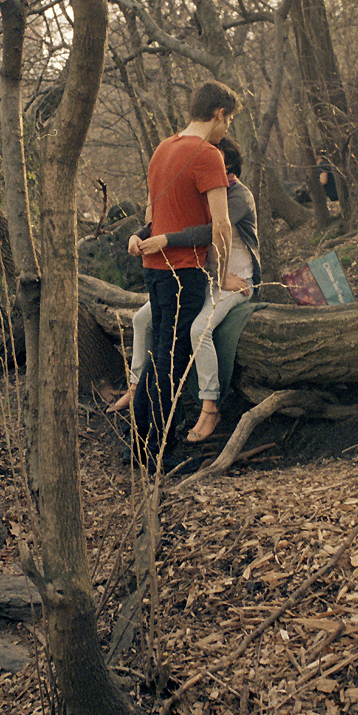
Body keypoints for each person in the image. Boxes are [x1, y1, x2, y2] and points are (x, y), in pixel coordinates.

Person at [109, 136, 261, 442]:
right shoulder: (201, 192)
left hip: (236, 277)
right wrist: (139, 234)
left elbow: (212, 232)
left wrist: (169, 243)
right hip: (205, 275)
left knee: (197, 331)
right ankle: (137, 387)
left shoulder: (239, 196)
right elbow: (170, 221)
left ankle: (209, 405)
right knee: (141, 319)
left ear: (228, 168)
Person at [127, 80, 237, 465]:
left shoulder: (162, 148)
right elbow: (221, 225)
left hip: (154, 271)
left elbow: (150, 216)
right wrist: (222, 275)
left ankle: (139, 447)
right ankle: (158, 453)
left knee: (159, 356)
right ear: (219, 114)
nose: (227, 131)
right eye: (230, 121)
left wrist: (140, 236)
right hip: (182, 272)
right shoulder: (208, 154)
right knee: (171, 362)